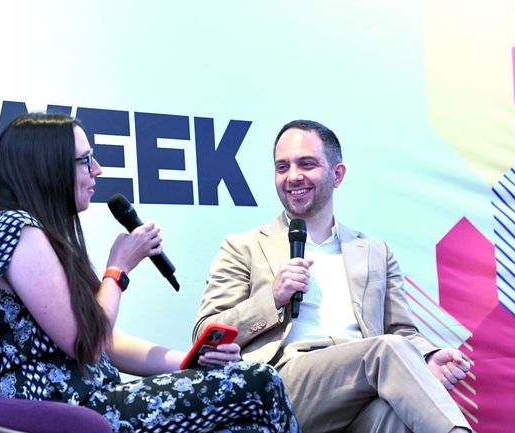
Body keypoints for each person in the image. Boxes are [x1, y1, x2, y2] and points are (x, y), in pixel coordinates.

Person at [0, 112, 300, 433]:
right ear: (48, 169)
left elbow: (108, 341)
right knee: (261, 380)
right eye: (85, 160)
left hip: (95, 401)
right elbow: (87, 345)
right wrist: (118, 270)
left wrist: (192, 360)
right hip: (71, 410)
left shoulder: (43, 235)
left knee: (248, 424)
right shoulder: (17, 230)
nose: (97, 169)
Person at [193, 119, 473, 433]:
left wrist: (428, 357)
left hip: (363, 386)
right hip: (285, 385)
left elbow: (401, 331)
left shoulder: (374, 251)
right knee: (385, 350)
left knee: (396, 415)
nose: (293, 176)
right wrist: (271, 298)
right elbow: (206, 333)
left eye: (307, 164)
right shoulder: (243, 246)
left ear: (337, 175)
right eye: (282, 167)